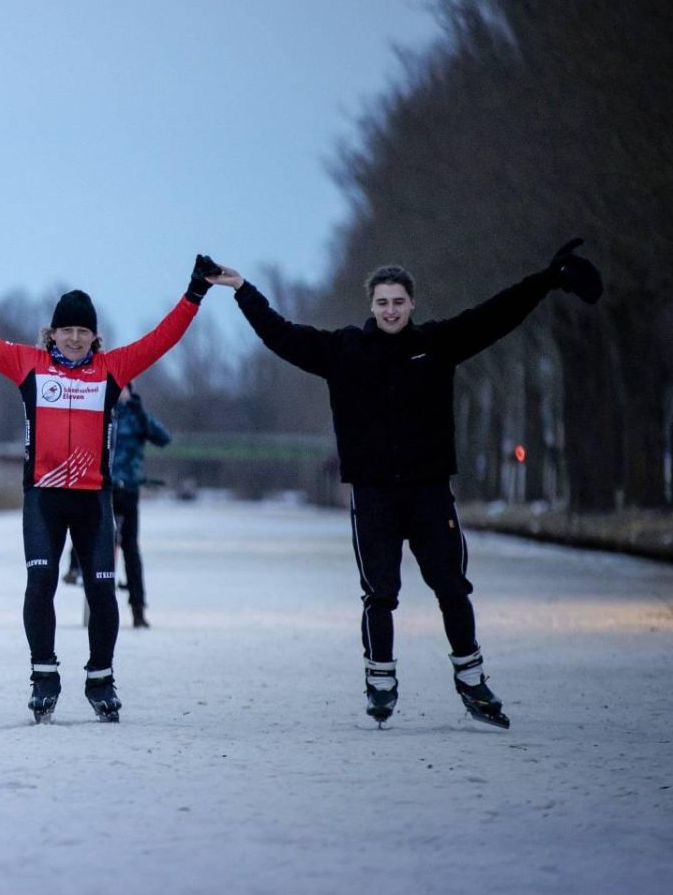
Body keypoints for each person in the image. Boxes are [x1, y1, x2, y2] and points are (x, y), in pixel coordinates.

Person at [211, 240, 603, 729]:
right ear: (370, 305)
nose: (391, 310)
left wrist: (546, 280)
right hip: (373, 493)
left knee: (452, 587)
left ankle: (471, 679)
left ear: (411, 304)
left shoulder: (436, 344)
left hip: (428, 491)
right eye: (382, 302)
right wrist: (243, 290)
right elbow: (281, 335)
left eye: (398, 301)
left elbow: (494, 316)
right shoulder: (343, 350)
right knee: (380, 592)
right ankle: (380, 680)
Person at [0, 256, 219, 723]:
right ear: (53, 333)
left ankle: (101, 678)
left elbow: (162, 339)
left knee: (103, 591)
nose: (76, 338)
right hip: (43, 497)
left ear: (95, 337)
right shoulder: (28, 364)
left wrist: (195, 292)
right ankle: (44, 674)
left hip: (93, 500)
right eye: (67, 331)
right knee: (40, 584)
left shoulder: (111, 370)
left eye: (84, 331)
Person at [107, 383, 172, 629]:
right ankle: (77, 570)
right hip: (104, 487)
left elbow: (163, 438)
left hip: (130, 489)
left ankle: (138, 608)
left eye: (125, 389)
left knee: (131, 549)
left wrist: (138, 409)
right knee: (92, 536)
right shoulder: (102, 411)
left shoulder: (137, 416)